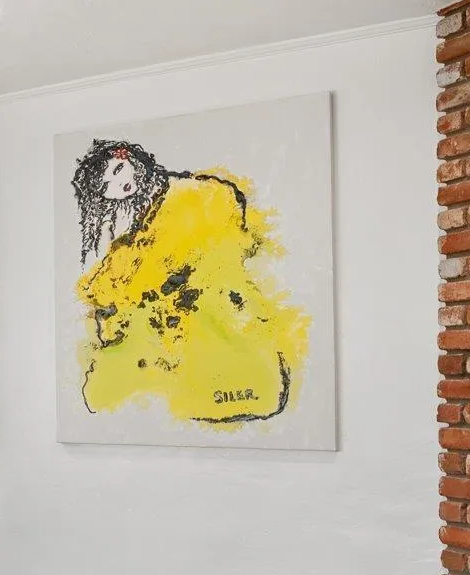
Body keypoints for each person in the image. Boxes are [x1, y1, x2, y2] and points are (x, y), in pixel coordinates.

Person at [70, 139, 308, 426]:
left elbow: (226, 215)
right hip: (177, 341)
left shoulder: (193, 195)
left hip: (217, 312)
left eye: (119, 170)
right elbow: (107, 287)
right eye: (107, 185)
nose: (120, 184)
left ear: (131, 159)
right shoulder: (136, 227)